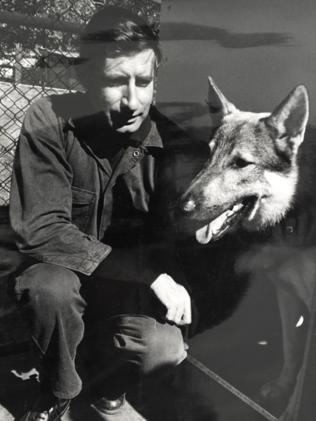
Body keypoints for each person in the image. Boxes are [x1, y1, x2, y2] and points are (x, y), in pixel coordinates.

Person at [8, 5, 209, 421]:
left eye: (144, 81)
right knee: (47, 290)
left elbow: (180, 235)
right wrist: (150, 276)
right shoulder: (49, 119)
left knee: (163, 350)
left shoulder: (174, 144)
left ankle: (107, 382)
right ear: (84, 78)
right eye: (116, 82)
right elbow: (40, 229)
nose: (133, 100)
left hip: (127, 288)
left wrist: (207, 226)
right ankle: (57, 390)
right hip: (64, 272)